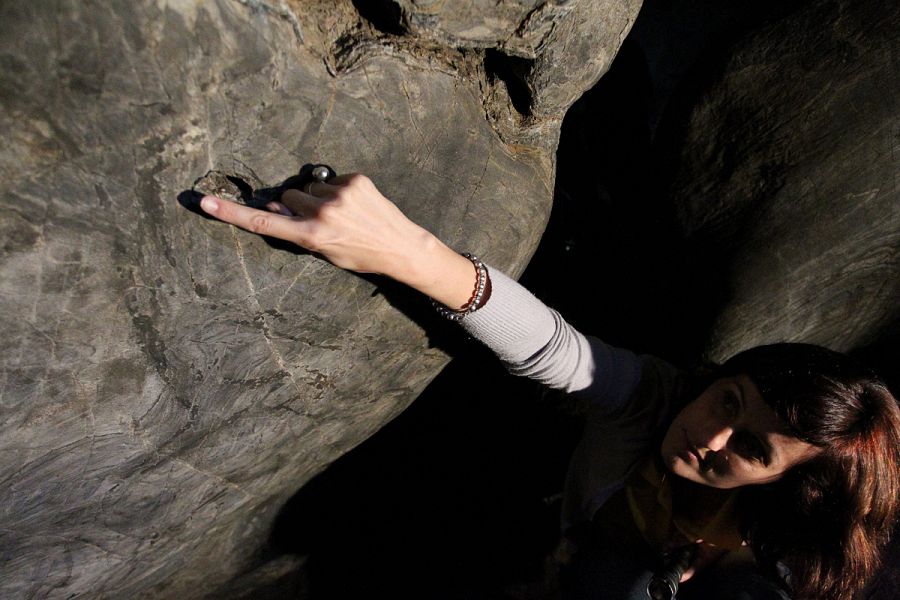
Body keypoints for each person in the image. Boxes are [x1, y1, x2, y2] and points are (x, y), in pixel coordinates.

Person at [196, 172, 900, 600]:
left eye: (749, 447)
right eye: (728, 400)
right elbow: (558, 351)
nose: (709, 435)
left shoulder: (781, 558)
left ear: (784, 488)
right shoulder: (659, 397)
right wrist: (404, 251)